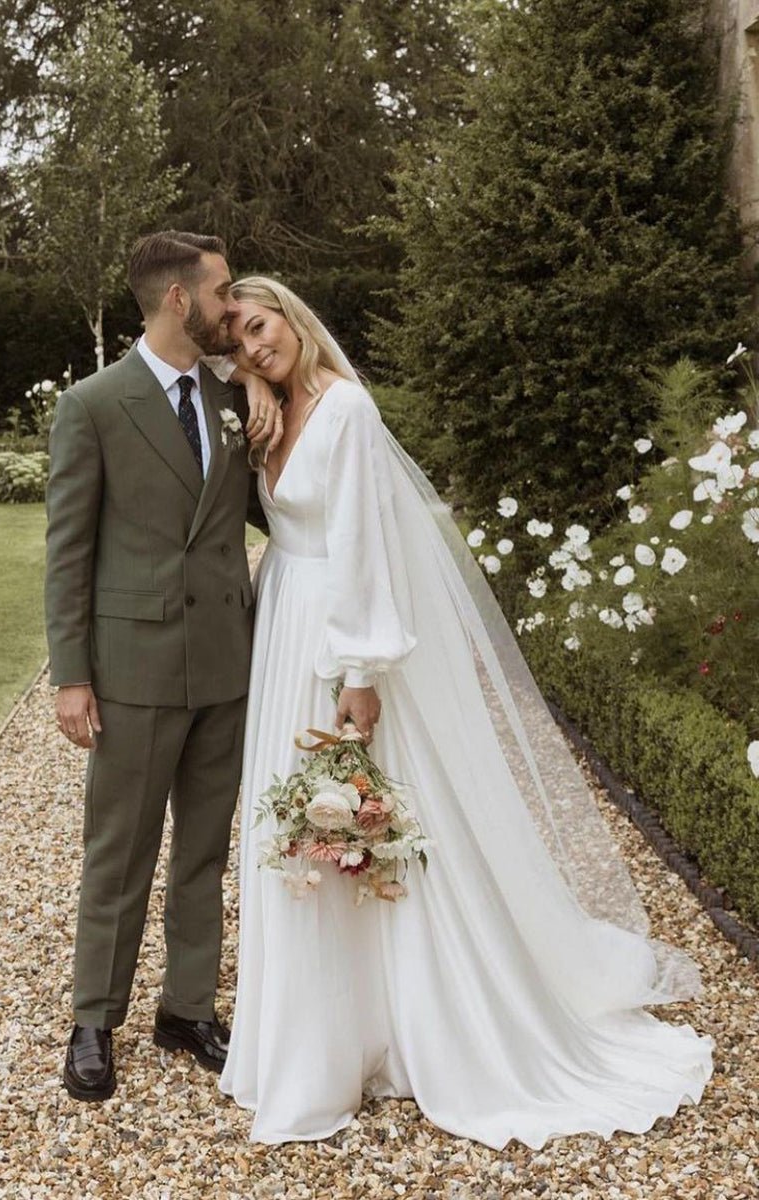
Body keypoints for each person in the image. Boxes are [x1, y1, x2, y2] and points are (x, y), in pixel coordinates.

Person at [218, 276, 714, 1149]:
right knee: (298, 831)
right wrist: (253, 382)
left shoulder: (346, 411)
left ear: (292, 319)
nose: (256, 346)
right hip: (285, 626)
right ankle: (324, 1033)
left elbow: (365, 545)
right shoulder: (271, 406)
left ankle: (414, 1021)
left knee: (366, 820)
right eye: (241, 342)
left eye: (262, 328)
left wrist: (361, 671)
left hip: (336, 633)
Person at [45, 231, 281, 1102]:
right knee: (119, 852)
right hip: (133, 667)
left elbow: (275, 509)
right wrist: (72, 676)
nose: (233, 306)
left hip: (225, 662)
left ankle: (187, 1010)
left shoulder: (232, 396)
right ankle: (93, 1019)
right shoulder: (93, 405)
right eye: (222, 291)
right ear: (180, 299)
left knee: (205, 852)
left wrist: (263, 389)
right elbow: (68, 552)